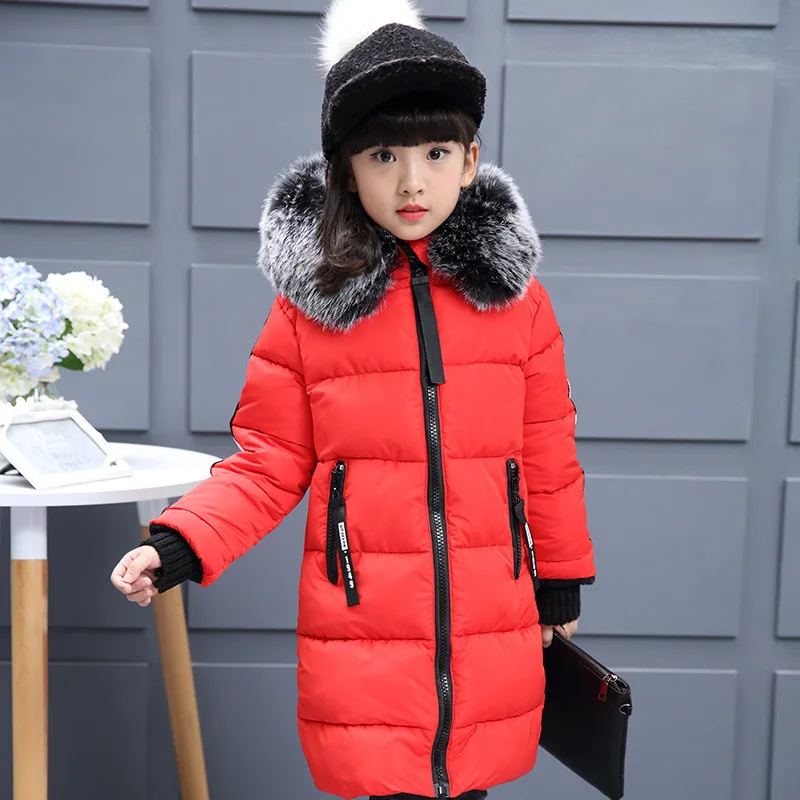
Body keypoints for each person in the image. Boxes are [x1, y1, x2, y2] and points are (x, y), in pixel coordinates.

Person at [109, 1, 596, 798]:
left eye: (436, 152)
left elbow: (546, 448)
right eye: (383, 155)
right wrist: (181, 543)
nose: (412, 181)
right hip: (363, 624)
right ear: (344, 169)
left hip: (492, 619)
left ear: (470, 161)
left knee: (473, 781)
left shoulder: (516, 304)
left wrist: (561, 574)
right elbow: (268, 461)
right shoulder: (310, 313)